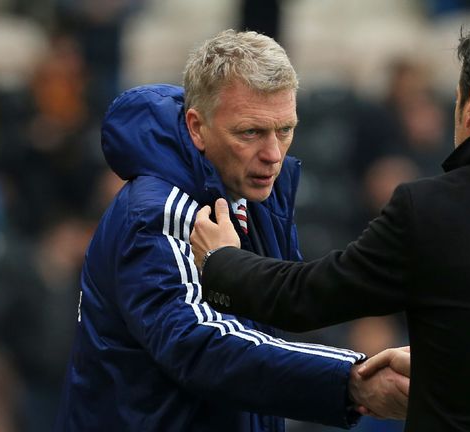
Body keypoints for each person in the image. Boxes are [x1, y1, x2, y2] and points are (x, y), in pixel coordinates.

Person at [192, 14, 470, 431]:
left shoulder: (430, 209)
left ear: (469, 103)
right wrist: (443, 362)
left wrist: (222, 261)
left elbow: (302, 300)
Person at [54, 29, 410, 431]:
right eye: (250, 133)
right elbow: (198, 346)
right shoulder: (155, 211)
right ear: (196, 127)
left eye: (285, 129)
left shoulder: (251, 189)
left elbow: (274, 314)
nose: (273, 155)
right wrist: (352, 382)